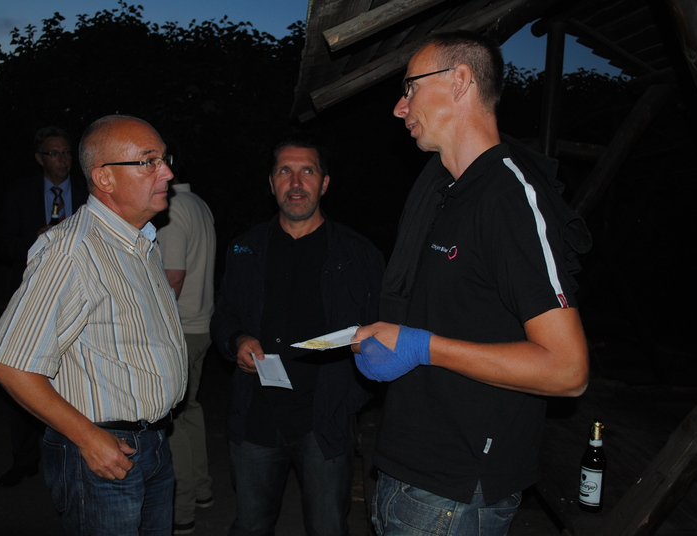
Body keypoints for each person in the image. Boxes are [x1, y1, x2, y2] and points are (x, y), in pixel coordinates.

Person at [351, 31, 592, 536]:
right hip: (411, 469)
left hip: (455, 491)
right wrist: (395, 336)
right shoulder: (446, 193)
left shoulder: (507, 198)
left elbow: (567, 370)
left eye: (410, 87)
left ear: (460, 81)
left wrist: (421, 346)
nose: (400, 107)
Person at [0, 115, 188, 535]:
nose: (167, 172)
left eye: (164, 159)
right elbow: (7, 362)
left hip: (152, 444)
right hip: (102, 454)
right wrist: (89, 439)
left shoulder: (140, 242)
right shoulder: (72, 251)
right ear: (104, 178)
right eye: (148, 161)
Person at [211, 138, 385, 536]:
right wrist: (236, 340)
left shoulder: (358, 255)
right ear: (271, 183)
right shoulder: (245, 248)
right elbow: (223, 315)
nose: (295, 182)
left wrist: (351, 401)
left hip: (324, 423)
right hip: (255, 418)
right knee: (251, 526)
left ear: (324, 183)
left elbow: (382, 332)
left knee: (328, 528)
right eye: (284, 172)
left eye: (307, 171)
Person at [0, 126, 89, 487]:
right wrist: (32, 242)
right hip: (30, 296)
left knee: (73, 378)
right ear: (39, 158)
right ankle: (24, 460)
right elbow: (1, 245)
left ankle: (75, 451)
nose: (63, 160)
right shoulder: (21, 193)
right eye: (54, 153)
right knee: (25, 374)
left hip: (76, 298)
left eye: (67, 152)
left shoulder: (87, 192)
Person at [156, 177, 216, 535]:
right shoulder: (198, 203)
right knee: (189, 410)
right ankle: (203, 490)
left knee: (171, 420)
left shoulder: (173, 208)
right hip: (201, 325)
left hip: (180, 329)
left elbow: (173, 277)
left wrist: (152, 327)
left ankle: (182, 511)